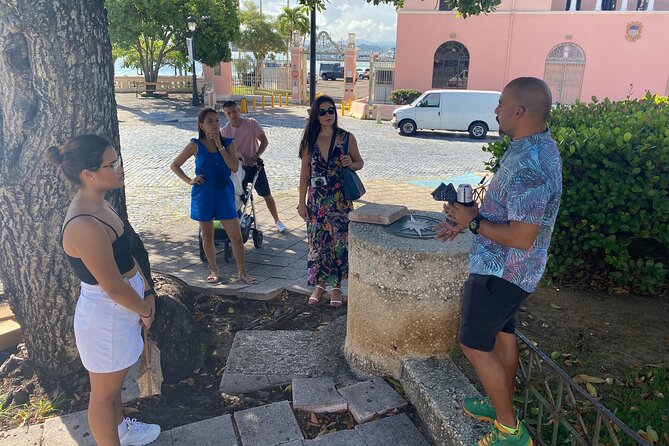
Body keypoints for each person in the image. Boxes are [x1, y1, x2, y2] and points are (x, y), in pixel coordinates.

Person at [435, 77, 562, 446]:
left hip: (502, 271)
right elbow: (510, 215)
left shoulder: (531, 164)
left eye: (502, 103)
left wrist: (473, 221)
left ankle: (510, 431)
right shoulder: (530, 147)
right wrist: (469, 219)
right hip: (508, 268)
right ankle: (499, 404)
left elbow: (522, 237)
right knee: (504, 335)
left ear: (519, 112)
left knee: (474, 344)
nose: (496, 110)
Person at [49, 135, 161, 446]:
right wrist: (145, 309)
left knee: (115, 387)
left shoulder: (101, 203)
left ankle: (121, 431)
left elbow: (127, 257)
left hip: (123, 307)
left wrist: (148, 292)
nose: (121, 168)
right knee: (103, 395)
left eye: (119, 160)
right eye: (113, 164)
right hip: (106, 317)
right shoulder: (83, 224)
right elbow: (111, 285)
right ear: (89, 174)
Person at [170, 108, 256, 285]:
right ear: (202, 125)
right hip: (204, 193)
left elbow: (234, 167)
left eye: (217, 121)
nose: (215, 125)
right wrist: (189, 180)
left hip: (224, 192)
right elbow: (175, 165)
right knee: (207, 235)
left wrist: (219, 147)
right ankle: (213, 270)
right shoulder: (195, 145)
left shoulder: (228, 143)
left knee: (236, 237)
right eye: (210, 121)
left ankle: (242, 272)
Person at [297, 95, 364, 307]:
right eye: (323, 112)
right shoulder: (310, 140)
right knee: (318, 242)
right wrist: (301, 202)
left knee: (339, 243)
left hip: (339, 199)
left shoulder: (346, 138)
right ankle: (320, 284)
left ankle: (336, 287)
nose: (328, 115)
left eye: (331, 111)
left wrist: (350, 163)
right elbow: (304, 175)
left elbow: (359, 162)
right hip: (317, 200)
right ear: (316, 115)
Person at [220, 100, 286, 233]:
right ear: (225, 115)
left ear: (238, 110)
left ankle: (277, 220)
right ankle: (239, 219)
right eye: (229, 113)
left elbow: (264, 141)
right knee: (237, 195)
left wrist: (256, 155)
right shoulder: (225, 131)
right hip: (238, 169)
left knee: (266, 194)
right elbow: (226, 151)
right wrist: (239, 156)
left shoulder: (251, 123)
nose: (232, 115)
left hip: (255, 166)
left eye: (234, 111)